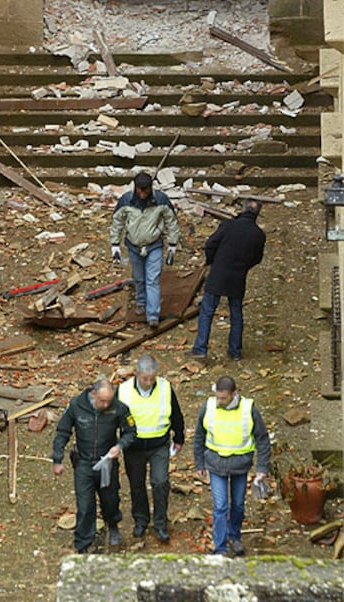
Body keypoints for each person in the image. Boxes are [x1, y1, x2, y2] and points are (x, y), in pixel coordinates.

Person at [52, 377, 136, 554]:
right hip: (83, 463)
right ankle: (82, 543)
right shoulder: (76, 406)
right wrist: (57, 459)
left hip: (107, 463)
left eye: (109, 400)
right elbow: (62, 431)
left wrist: (119, 446)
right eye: (102, 400)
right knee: (85, 505)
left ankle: (112, 525)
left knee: (110, 500)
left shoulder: (118, 408)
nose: (106, 405)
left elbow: (130, 432)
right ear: (92, 394)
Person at [193, 376, 270, 556]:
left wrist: (262, 468)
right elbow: (199, 436)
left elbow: (262, 439)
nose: (219, 401)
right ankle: (220, 546)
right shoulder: (208, 407)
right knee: (220, 506)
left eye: (223, 398)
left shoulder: (249, 409)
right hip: (215, 464)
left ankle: (234, 536)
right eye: (217, 397)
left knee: (238, 505)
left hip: (239, 465)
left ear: (234, 394)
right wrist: (199, 463)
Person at [117, 355, 184, 542]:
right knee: (136, 485)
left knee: (160, 482)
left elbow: (176, 415)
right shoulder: (123, 391)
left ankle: (160, 523)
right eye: (144, 378)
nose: (148, 382)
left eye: (151, 378)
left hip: (159, 445)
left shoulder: (165, 388)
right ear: (136, 373)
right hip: (133, 447)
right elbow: (113, 417)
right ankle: (141, 520)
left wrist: (179, 438)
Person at [188, 199, 266, 361]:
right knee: (236, 313)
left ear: (243, 210)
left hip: (218, 273)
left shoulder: (228, 225)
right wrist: (244, 267)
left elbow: (210, 244)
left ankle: (200, 348)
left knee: (207, 311)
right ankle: (235, 351)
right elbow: (257, 258)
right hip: (238, 276)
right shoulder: (258, 234)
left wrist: (212, 260)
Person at [110, 171, 180, 329]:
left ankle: (153, 314)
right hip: (133, 246)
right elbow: (117, 221)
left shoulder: (160, 200)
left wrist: (172, 244)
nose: (142, 194)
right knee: (139, 277)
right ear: (135, 188)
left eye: (145, 190)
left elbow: (171, 222)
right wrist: (115, 244)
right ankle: (141, 302)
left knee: (152, 280)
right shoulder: (126, 200)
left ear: (150, 188)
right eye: (139, 190)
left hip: (154, 245)